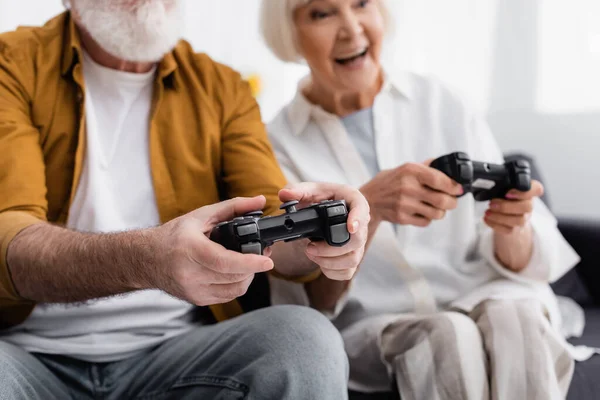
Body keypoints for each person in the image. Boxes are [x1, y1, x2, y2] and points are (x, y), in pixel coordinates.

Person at [0, 1, 372, 399]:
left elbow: (275, 229)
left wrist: (320, 231)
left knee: (305, 339)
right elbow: (10, 244)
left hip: (180, 354)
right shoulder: (13, 65)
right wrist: (147, 259)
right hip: (28, 357)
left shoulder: (221, 87)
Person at [260, 0, 581, 399]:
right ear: (289, 31)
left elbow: (520, 261)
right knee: (447, 334)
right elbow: (308, 302)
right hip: (379, 325)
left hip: (487, 294)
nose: (351, 29)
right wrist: (368, 208)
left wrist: (511, 223)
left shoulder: (442, 102)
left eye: (361, 4)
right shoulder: (276, 146)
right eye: (322, 13)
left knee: (513, 315)